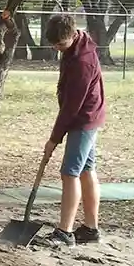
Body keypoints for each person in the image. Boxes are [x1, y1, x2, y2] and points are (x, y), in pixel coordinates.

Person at [43, 14, 106, 246]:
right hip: (85, 116)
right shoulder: (74, 48)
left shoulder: (83, 62)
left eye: (60, 44)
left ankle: (64, 232)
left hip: (84, 119)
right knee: (86, 170)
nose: (56, 48)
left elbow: (71, 107)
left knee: (69, 172)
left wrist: (54, 139)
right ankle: (90, 229)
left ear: (72, 35)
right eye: (53, 44)